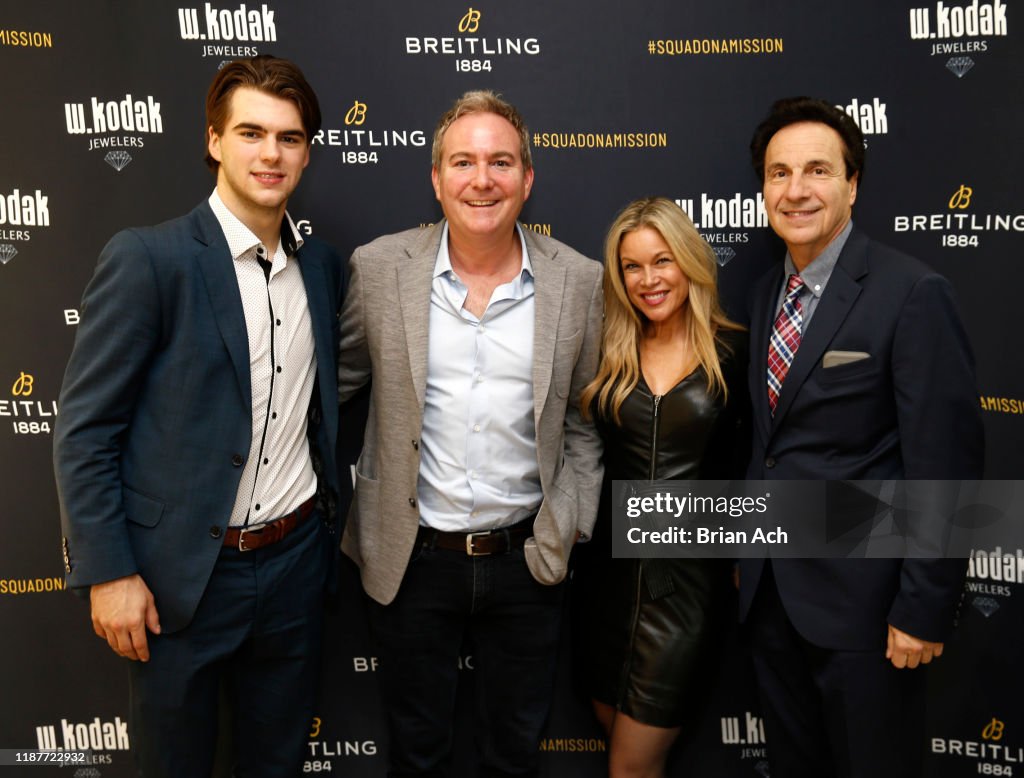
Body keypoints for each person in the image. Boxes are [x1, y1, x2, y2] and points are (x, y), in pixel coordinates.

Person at [53, 56, 344, 777]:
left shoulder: (323, 268)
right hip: (181, 578)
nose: (270, 153)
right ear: (214, 141)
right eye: (251, 132)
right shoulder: (150, 260)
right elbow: (85, 429)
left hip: (294, 570)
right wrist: (109, 572)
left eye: (289, 137)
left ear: (307, 152)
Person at [337, 90, 603, 777]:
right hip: (411, 557)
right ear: (436, 178)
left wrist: (572, 521)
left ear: (527, 178)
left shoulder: (578, 281)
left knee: (513, 754)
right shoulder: (379, 268)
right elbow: (330, 392)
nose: (481, 179)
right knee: (417, 753)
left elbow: (584, 417)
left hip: (529, 559)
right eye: (463, 161)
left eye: (500, 162)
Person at [739, 97, 984, 777]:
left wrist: (925, 606)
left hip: (869, 615)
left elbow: (946, 461)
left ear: (853, 184)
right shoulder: (764, 295)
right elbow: (774, 447)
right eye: (778, 173)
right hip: (773, 604)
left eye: (817, 170)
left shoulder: (912, 293)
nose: (795, 190)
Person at [575, 197, 748, 778]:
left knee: (631, 765)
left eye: (663, 260)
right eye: (632, 266)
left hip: (686, 594)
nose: (648, 280)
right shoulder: (608, 352)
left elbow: (758, 464)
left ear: (691, 262)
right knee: (619, 748)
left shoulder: (735, 353)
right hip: (604, 583)